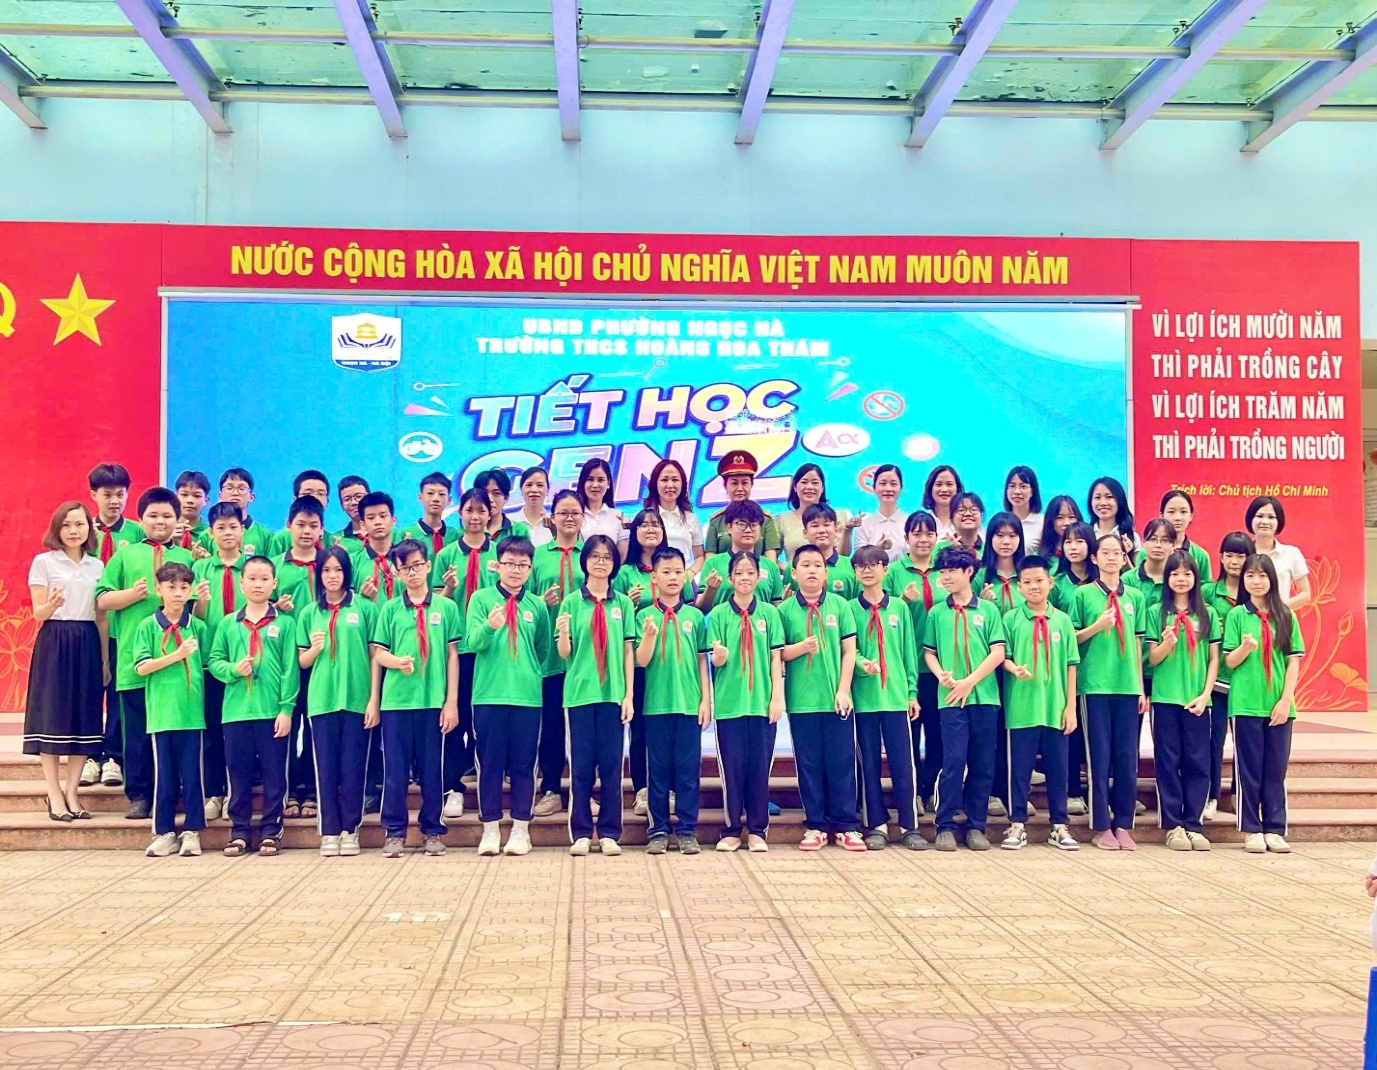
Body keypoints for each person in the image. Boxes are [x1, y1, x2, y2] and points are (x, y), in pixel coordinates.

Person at [95, 486, 194, 820]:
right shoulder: (126, 555)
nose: (160, 521)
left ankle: (173, 793)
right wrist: (131, 595)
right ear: (141, 519)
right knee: (136, 733)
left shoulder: (188, 558)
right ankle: (138, 795)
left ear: (177, 519)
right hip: (134, 664)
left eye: (167, 515)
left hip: (177, 668)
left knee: (173, 734)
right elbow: (102, 600)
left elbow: (196, 608)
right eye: (153, 515)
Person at [367, 540, 462, 858]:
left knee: (432, 770)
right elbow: (379, 653)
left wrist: (451, 701)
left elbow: (452, 655)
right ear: (396, 572)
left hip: (432, 701)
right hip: (396, 703)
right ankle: (394, 832)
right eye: (405, 567)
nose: (412, 572)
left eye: (417, 565)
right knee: (395, 771)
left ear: (428, 565)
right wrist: (396, 663)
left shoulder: (446, 608)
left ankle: (432, 830)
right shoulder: (390, 609)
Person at [466, 535, 551, 857]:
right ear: (498, 565)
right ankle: (490, 829)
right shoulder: (481, 599)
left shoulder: (537, 606)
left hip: (527, 697)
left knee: (523, 766)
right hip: (489, 695)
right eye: (510, 563)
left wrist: (526, 672)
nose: (516, 570)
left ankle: (520, 830)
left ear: (530, 569)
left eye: (522, 565)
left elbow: (542, 648)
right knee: (489, 765)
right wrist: (489, 626)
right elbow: (473, 643)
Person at [209, 555, 300, 857]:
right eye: (252, 578)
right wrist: (234, 670)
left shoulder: (285, 623)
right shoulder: (228, 623)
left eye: (264, 579)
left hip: (272, 712)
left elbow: (290, 669)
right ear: (241, 583)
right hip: (236, 712)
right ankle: (239, 831)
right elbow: (214, 661)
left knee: (275, 774)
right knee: (238, 773)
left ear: (274, 583)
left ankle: (272, 831)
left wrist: (286, 709)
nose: (258, 584)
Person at [25, 502, 106, 821]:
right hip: (55, 640)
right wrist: (53, 604)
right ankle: (54, 793)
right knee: (52, 717)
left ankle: (72, 792)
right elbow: (38, 613)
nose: (74, 530)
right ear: (57, 528)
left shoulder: (97, 566)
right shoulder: (44, 562)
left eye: (80, 524)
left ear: (89, 528)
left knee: (83, 716)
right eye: (67, 525)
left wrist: (104, 660)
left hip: (87, 639)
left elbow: (101, 617)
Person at [779, 545, 863, 853]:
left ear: (826, 573)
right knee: (809, 764)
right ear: (794, 572)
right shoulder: (784, 611)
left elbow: (849, 651)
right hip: (802, 701)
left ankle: (846, 826)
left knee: (841, 763)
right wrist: (801, 647)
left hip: (837, 700)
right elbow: (779, 654)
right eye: (805, 565)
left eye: (818, 565)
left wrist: (843, 689)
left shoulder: (840, 606)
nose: (812, 570)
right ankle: (815, 825)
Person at [923, 545, 1006, 853]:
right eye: (942, 572)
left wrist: (970, 681)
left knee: (982, 763)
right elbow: (929, 652)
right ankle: (944, 825)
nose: (945, 577)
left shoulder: (988, 610)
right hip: (950, 699)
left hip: (984, 697)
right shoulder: (937, 612)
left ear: (969, 572)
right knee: (954, 761)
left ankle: (975, 825)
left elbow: (998, 652)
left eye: (951, 571)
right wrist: (941, 675)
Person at [557, 535, 636, 856]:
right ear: (585, 561)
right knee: (581, 767)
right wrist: (563, 632)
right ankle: (580, 833)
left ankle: (609, 833)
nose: (601, 562)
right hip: (579, 695)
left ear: (614, 563)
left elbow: (628, 651)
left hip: (613, 695)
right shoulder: (571, 602)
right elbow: (565, 653)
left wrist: (628, 695)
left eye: (607, 557)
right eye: (595, 556)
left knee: (612, 767)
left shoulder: (623, 604)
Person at [1070, 533, 1148, 852]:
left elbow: (1138, 643)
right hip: (1094, 686)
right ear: (1095, 558)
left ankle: (1123, 824)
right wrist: (1097, 626)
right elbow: (1072, 638)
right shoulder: (1083, 594)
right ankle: (1101, 825)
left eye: (1117, 553)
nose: (1112, 557)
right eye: (1106, 552)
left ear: (1124, 558)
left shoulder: (1135, 597)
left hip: (1127, 686)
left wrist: (1140, 687)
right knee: (1098, 758)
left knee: (1127, 759)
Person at [297, 546, 374, 857]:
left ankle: (350, 830)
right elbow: (302, 662)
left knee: (353, 768)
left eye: (338, 570)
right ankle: (329, 831)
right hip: (322, 701)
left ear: (347, 573)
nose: (332, 576)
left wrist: (373, 699)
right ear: (319, 574)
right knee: (326, 769)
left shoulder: (364, 608)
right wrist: (315, 649)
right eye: (327, 570)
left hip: (357, 699)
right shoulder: (308, 612)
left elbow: (374, 655)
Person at [1223, 553, 1303, 854]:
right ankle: (1251, 829)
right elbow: (1229, 662)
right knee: (1249, 770)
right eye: (1250, 575)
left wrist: (1285, 700)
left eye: (1262, 575)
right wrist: (1245, 647)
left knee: (1275, 770)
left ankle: (1274, 828)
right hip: (1245, 704)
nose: (1256, 581)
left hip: (1278, 705)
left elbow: (1293, 661)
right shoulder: (1237, 616)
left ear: (1272, 579)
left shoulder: (1286, 615)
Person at [1000, 556, 1079, 851]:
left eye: (1039, 581)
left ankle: (1059, 826)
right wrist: (1014, 669)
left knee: (1058, 770)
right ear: (1019, 587)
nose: (1034, 586)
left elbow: (1071, 664)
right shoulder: (1011, 619)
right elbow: (1003, 656)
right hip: (1021, 709)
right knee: (1019, 770)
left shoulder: (1063, 620)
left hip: (1055, 708)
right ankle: (1017, 824)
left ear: (1051, 583)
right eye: (1027, 582)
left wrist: (1070, 707)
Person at [708, 552, 784, 853]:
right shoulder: (718, 615)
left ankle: (757, 830)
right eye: (738, 573)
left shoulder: (769, 614)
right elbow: (714, 659)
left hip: (762, 703)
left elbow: (776, 658)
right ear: (730, 579)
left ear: (758, 577)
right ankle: (730, 830)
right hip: (730, 704)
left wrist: (776, 697)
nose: (744, 578)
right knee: (732, 770)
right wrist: (720, 657)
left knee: (759, 769)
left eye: (750, 572)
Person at [635, 546, 710, 856]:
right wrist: (650, 636)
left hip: (689, 704)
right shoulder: (643, 616)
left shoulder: (695, 616)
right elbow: (640, 661)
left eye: (678, 571)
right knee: (658, 772)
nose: (673, 577)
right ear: (654, 577)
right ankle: (658, 831)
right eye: (665, 572)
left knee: (688, 772)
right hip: (655, 706)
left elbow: (702, 661)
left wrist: (706, 701)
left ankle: (687, 830)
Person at [132, 561, 208, 858]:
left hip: (191, 714)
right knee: (165, 776)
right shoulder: (148, 626)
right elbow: (142, 667)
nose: (178, 593)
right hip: (162, 714)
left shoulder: (197, 627)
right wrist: (177, 655)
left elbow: (206, 665)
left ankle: (192, 831)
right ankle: (164, 832)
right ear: (159, 589)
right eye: (171, 587)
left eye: (184, 587)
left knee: (192, 775)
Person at [852, 545, 924, 851]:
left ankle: (909, 825)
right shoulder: (849, 609)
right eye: (861, 566)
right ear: (855, 572)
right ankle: (876, 824)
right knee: (868, 764)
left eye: (874, 565)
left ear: (885, 570)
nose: (867, 570)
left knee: (903, 764)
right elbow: (849, 650)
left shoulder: (899, 608)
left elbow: (908, 653)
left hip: (895, 698)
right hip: (864, 699)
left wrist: (911, 693)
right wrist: (862, 664)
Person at [1147, 552, 1220, 852]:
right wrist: (1167, 642)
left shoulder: (1208, 614)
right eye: (1175, 574)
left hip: (1198, 701)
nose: (1181, 579)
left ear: (1195, 578)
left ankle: (1194, 824)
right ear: (1167, 579)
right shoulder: (1156, 612)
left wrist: (1205, 695)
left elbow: (1214, 659)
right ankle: (1173, 825)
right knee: (1168, 762)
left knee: (1198, 763)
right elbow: (1152, 658)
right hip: (1165, 699)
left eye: (1187, 574)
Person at [432, 488, 497, 818]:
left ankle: (488, 783)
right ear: (460, 514)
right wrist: (449, 588)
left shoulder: (499, 554)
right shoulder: (446, 555)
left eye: (481, 510)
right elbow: (434, 605)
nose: (475, 516)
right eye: (469, 510)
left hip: (489, 649)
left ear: (490, 514)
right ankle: (453, 788)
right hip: (455, 649)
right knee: (454, 719)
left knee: (484, 721)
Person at [190, 502, 246, 821]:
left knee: (240, 735)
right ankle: (215, 792)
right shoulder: (200, 569)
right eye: (221, 528)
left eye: (233, 526)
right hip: (210, 662)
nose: (227, 533)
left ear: (242, 530)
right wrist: (200, 603)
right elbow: (193, 619)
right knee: (212, 732)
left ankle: (238, 793)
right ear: (210, 533)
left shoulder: (253, 568)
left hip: (245, 664)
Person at [86, 462, 140, 790]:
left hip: (122, 629)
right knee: (89, 693)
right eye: (107, 495)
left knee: (118, 696)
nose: (114, 501)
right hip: (86, 627)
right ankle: (89, 756)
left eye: (120, 494)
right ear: (94, 494)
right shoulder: (81, 529)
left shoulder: (136, 533)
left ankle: (113, 757)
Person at [273, 496, 327, 820]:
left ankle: (313, 791)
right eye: (301, 524)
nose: (307, 531)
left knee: (317, 727)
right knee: (289, 727)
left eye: (313, 525)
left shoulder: (330, 564)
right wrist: (275, 608)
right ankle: (290, 790)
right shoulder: (275, 567)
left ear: (322, 529)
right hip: (286, 659)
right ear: (288, 526)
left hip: (324, 659)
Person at [532, 490, 585, 817]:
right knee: (551, 725)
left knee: (583, 729)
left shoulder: (592, 554)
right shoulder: (538, 556)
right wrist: (541, 603)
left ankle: (583, 791)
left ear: (582, 517)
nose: (569, 518)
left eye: (575, 512)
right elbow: (524, 600)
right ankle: (550, 788)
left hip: (584, 656)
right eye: (563, 512)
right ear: (552, 517)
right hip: (549, 655)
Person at [885, 510, 942, 814]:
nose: (923, 539)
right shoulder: (894, 572)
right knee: (909, 736)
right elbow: (883, 615)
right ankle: (911, 793)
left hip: (941, 670)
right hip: (906, 668)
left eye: (929, 533)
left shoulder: (945, 570)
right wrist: (904, 600)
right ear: (906, 538)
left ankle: (930, 790)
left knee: (938, 735)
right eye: (916, 534)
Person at [614, 508, 667, 817]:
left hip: (669, 659)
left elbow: (687, 604)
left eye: (655, 524)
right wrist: (630, 604)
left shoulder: (672, 565)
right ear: (633, 532)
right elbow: (615, 616)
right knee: (641, 727)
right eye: (643, 525)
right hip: (638, 658)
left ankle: (666, 786)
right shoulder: (625, 573)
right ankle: (642, 788)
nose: (650, 529)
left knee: (665, 725)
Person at [1203, 531, 1254, 821]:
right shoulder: (1209, 592)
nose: (1235, 561)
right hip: (1216, 682)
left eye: (1241, 556)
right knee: (1213, 741)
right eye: (1230, 555)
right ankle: (1211, 795)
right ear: (1221, 558)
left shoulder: (1255, 594)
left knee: (1244, 743)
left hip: (1246, 683)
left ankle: (1238, 794)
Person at [1050, 521, 1096, 818]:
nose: (1073, 547)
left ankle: (1099, 792)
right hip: (1064, 668)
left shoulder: (1101, 581)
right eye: (1068, 542)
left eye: (1080, 541)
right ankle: (1072, 791)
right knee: (1070, 731)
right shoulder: (1057, 583)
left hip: (1096, 668)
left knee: (1097, 738)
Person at [696, 500, 782, 610]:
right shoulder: (713, 563)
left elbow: (776, 606)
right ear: (729, 527)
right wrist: (710, 590)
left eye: (754, 525)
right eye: (742, 524)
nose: (748, 530)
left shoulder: (771, 566)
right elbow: (701, 609)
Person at [703, 452, 781, 561]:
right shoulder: (716, 521)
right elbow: (710, 557)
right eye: (734, 483)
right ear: (725, 486)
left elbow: (771, 558)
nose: (740, 488)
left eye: (744, 483)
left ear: (751, 485)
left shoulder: (765, 520)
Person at [1244, 495, 1311, 609]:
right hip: (1245, 618)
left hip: (1280, 618)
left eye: (1271, 517)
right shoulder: (1242, 552)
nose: (1265, 522)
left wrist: (1278, 611)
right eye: (1260, 516)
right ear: (1251, 519)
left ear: (1278, 521)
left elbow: (1305, 594)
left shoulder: (1291, 553)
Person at [776, 463, 855, 561]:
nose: (809, 487)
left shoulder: (837, 516)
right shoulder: (782, 520)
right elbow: (771, 557)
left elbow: (843, 556)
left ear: (822, 488)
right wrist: (791, 567)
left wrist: (847, 529)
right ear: (795, 487)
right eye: (804, 482)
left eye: (815, 483)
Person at [644, 459, 703, 570]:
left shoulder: (691, 518)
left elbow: (699, 556)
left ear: (682, 484)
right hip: (653, 577)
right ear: (655, 484)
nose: (670, 485)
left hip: (684, 577)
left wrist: (690, 574)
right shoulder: (646, 518)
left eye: (675, 480)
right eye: (664, 480)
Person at [789, 504, 858, 598]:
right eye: (815, 525)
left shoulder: (852, 566)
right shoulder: (794, 567)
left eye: (826, 525)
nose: (821, 530)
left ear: (836, 530)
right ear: (805, 533)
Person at [205, 468, 275, 557]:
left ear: (251, 497)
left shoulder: (266, 536)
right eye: (229, 488)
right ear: (220, 496)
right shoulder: (206, 535)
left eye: (242, 488)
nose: (235, 493)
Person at [351, 491, 401, 602]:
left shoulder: (406, 559)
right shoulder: (352, 561)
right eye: (371, 518)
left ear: (393, 520)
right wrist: (362, 598)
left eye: (383, 516)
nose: (378, 522)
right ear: (363, 525)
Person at [853, 464, 906, 563]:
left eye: (893, 484)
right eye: (883, 483)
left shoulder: (910, 523)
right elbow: (859, 560)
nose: (888, 489)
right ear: (874, 488)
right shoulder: (864, 525)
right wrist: (877, 549)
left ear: (901, 488)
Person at [976, 512, 1026, 614]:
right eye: (1000, 535)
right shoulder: (978, 575)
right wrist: (981, 604)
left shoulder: (1028, 575)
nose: (1006, 542)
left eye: (1012, 536)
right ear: (990, 538)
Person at [270, 470, 330, 556]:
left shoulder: (330, 539)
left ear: (327, 501)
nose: (315, 498)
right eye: (308, 493)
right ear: (295, 500)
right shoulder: (281, 538)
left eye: (321, 494)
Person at [399, 471, 458, 555]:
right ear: (420, 497)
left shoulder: (455, 535)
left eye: (441, 494)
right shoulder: (406, 533)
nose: (436, 499)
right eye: (430, 493)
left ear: (449, 500)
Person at [1160, 489, 1212, 580]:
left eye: (1183, 512)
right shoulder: (1147, 552)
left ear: (1191, 516)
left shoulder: (1201, 556)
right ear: (1162, 515)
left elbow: (1205, 587)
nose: (1178, 518)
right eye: (1171, 512)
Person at [577, 458, 627, 551]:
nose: (595, 485)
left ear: (608, 483)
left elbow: (622, 555)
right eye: (590, 479)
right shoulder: (575, 515)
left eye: (600, 480)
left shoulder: (617, 516)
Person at [1087, 476, 1138, 562]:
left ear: (1120, 500)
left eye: (1109, 497)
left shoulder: (1132, 538)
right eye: (1097, 497)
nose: (1103, 503)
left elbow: (1135, 570)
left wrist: (1124, 554)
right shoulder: (1085, 535)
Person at [1003, 466, 1043, 553]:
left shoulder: (1042, 523)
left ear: (1032, 491)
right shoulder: (1000, 521)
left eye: (1023, 486)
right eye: (1012, 486)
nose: (1017, 491)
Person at [1036, 495, 1084, 568]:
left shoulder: (1089, 553)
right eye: (1059, 518)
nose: (1066, 523)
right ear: (1050, 521)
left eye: (1071, 517)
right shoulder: (1038, 557)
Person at [512, 466, 553, 547]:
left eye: (540, 485)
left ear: (547, 490)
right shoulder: (510, 522)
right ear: (521, 489)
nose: (534, 490)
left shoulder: (554, 523)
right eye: (529, 485)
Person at [921, 465, 963, 541]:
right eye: (938, 484)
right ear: (930, 488)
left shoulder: (966, 521)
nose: (944, 489)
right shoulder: (920, 521)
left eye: (949, 484)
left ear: (957, 488)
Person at [173, 470, 211, 553]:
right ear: (175, 498)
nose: (190, 500)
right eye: (184, 495)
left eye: (197, 496)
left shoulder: (211, 535)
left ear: (206, 501)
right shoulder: (165, 531)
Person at [475, 469, 517, 541]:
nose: (490, 499)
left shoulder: (518, 531)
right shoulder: (463, 532)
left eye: (496, 493)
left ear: (506, 498)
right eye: (484, 493)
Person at [333, 475, 370, 547]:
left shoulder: (390, 533)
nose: (353, 502)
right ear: (342, 506)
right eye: (347, 499)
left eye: (359, 496)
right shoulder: (335, 539)